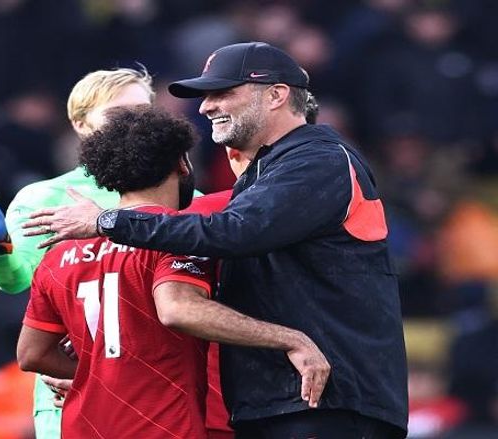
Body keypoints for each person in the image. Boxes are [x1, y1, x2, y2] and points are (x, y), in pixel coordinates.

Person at [24, 42, 409, 438]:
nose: (206, 106)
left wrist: (108, 221)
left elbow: (234, 234)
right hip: (280, 401)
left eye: (222, 92)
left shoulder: (318, 160)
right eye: (206, 96)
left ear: (276, 95)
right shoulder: (260, 177)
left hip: (329, 399)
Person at [16, 107, 329, 438]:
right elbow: (178, 309)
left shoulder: (59, 256)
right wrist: (290, 339)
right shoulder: (180, 234)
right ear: (182, 163)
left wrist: (99, 376)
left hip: (84, 427)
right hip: (164, 427)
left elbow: (31, 354)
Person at [0, 67, 160, 438]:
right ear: (81, 124)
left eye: (143, 113)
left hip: (156, 383)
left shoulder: (185, 196)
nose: (134, 124)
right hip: (70, 383)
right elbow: (14, 281)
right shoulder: (42, 197)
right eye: (118, 114)